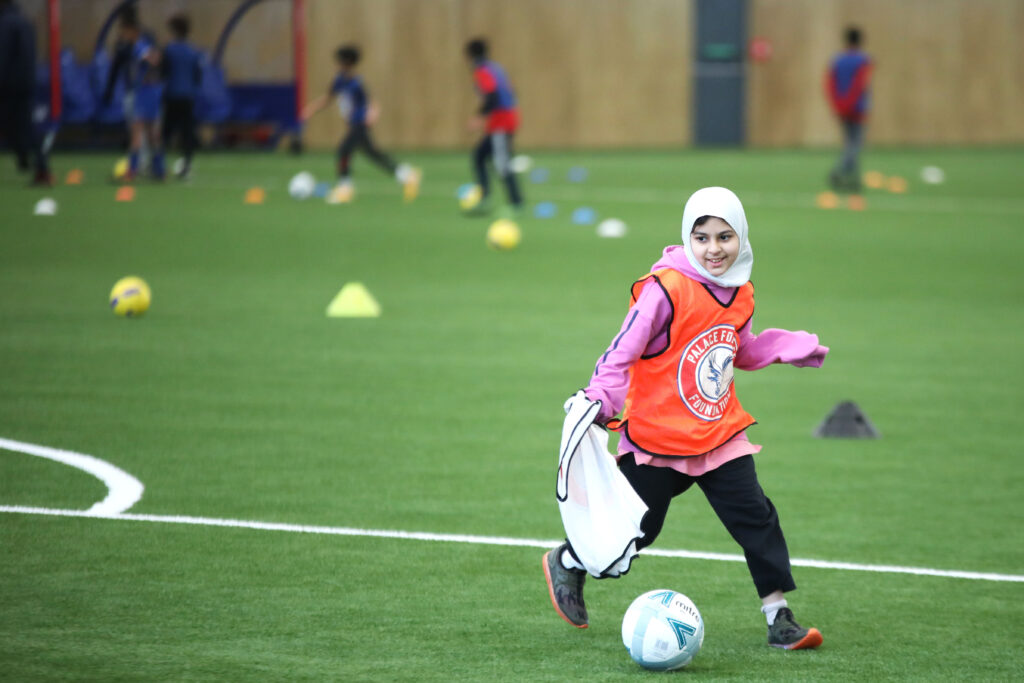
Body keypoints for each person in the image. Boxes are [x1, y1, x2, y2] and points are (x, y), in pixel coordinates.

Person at [543, 187, 829, 651]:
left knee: (755, 516)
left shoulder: (741, 290)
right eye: (702, 238)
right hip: (658, 438)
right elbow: (622, 350)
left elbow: (736, 349)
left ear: (742, 237)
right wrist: (599, 397)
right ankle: (569, 562)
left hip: (718, 434)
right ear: (687, 238)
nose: (714, 249)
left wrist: (783, 348)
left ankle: (779, 616)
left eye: (725, 237)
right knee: (637, 530)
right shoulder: (665, 289)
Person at [301, 45, 420, 203]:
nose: (338, 65)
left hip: (360, 123)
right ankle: (406, 175)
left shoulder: (356, 83)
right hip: (352, 124)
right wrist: (311, 109)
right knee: (372, 153)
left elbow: (371, 102)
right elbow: (328, 98)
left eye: (341, 62)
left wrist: (372, 114)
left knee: (344, 150)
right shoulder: (339, 81)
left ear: (348, 63)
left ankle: (345, 188)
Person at [103, 7, 164, 181]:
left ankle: (133, 170)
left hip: (144, 92)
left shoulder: (138, 45)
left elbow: (154, 58)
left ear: (131, 30)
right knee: (152, 133)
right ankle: (159, 170)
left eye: (124, 31)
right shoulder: (142, 43)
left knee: (137, 133)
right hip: (152, 91)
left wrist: (149, 60)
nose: (122, 34)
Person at [464, 38, 522, 215]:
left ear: (469, 55)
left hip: (501, 122)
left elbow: (493, 97)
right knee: (479, 156)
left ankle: (517, 204)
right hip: (505, 118)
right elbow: (512, 92)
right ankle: (485, 198)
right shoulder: (496, 68)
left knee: (502, 163)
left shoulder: (482, 71)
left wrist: (478, 117)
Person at [0, 0, 52, 185]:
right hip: (27, 82)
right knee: (27, 126)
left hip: (9, 86)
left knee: (14, 125)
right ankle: (39, 167)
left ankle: (25, 158)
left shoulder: (5, 24)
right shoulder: (26, 22)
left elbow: (3, 56)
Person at [826, 27, 872, 192]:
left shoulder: (837, 60)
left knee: (849, 142)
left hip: (841, 107)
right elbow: (861, 85)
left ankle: (853, 179)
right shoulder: (863, 60)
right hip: (857, 108)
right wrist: (853, 104)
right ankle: (840, 171)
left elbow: (830, 84)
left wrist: (837, 105)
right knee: (855, 144)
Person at [160, 13, 202, 180]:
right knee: (187, 133)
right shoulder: (193, 51)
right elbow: (198, 75)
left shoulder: (169, 50)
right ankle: (187, 165)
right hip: (188, 97)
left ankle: (159, 166)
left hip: (171, 95)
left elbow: (163, 72)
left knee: (166, 132)